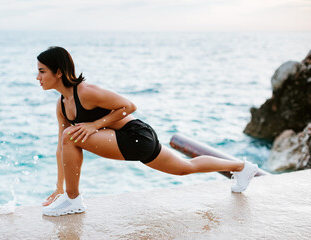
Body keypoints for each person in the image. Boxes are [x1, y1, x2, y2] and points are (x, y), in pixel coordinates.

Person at [36, 46, 259, 217]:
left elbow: (129, 106)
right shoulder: (62, 105)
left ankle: (73, 200)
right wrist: (58, 187)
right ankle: (242, 167)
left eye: (41, 71)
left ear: (58, 72)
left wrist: (94, 125)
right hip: (134, 140)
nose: (38, 77)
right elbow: (61, 149)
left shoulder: (86, 92)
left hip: (135, 135)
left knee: (71, 136)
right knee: (185, 168)